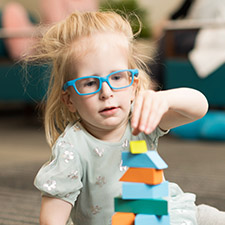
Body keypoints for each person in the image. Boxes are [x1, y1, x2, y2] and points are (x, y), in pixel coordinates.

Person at [31, 11, 225, 225]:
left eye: (116, 77)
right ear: (69, 100)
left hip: (169, 213)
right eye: (89, 83)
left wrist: (165, 99)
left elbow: (199, 107)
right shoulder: (71, 149)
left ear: (133, 86)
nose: (106, 92)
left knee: (211, 218)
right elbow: (51, 220)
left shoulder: (140, 120)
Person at [1, 0, 99, 60]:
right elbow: (57, 28)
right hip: (48, 44)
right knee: (13, 10)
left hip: (78, 45)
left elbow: (93, 25)